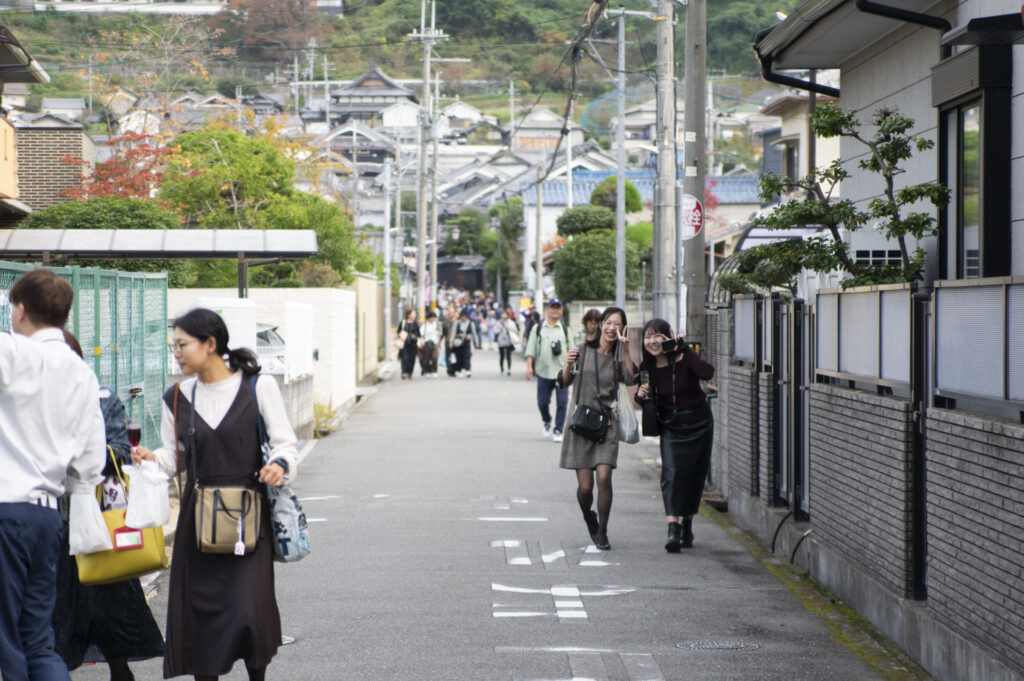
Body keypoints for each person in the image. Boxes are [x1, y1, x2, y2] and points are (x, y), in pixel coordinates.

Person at [132, 308, 298, 681]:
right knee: (201, 620)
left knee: (249, 615)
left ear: (210, 344)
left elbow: (286, 442)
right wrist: (148, 458)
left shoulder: (258, 386)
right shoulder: (177, 396)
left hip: (247, 520)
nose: (176, 352)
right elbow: (173, 460)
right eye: (173, 345)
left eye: (182, 344)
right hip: (198, 521)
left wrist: (280, 465)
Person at [0, 268, 107, 681]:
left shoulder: (14, 353)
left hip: (5, 510)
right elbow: (91, 458)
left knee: (5, 639)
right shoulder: (81, 372)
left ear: (21, 310)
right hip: (48, 516)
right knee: (37, 639)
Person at [52, 330, 164, 681]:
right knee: (56, 618)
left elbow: (119, 450)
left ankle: (120, 669)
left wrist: (79, 458)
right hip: (51, 523)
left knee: (112, 607)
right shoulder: (30, 401)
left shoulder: (101, 399)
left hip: (98, 520)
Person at [557, 307, 636, 551]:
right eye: (609, 322)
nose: (612, 327)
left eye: (618, 324)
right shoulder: (581, 350)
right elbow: (562, 382)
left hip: (606, 425)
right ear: (601, 324)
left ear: (622, 329)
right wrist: (568, 364)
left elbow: (632, 379)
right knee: (585, 488)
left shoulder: (620, 356)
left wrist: (626, 349)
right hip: (581, 424)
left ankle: (602, 530)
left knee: (603, 478)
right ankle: (587, 514)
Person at [635, 319, 715, 552]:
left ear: (668, 336)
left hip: (699, 423)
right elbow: (643, 401)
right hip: (670, 425)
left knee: (694, 476)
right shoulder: (646, 368)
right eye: (648, 337)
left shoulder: (684, 356)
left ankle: (688, 522)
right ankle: (673, 528)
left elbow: (707, 372)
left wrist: (684, 348)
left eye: (657, 336)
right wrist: (640, 394)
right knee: (671, 473)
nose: (652, 341)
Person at [525, 299, 572, 442]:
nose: (555, 311)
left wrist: (573, 369)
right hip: (543, 372)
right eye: (553, 308)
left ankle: (558, 429)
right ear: (547, 309)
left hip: (562, 373)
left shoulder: (565, 330)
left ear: (561, 311)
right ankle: (547, 420)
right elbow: (531, 348)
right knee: (542, 402)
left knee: (562, 403)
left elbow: (572, 351)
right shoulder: (538, 328)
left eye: (558, 308)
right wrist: (529, 366)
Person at [448, 308, 477, 378]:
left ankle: (468, 370)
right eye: (462, 316)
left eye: (465, 316)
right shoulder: (457, 322)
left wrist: (476, 342)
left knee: (467, 356)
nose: (463, 317)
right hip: (458, 343)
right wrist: (451, 342)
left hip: (467, 342)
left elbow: (474, 333)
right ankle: (459, 370)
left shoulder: (471, 323)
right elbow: (453, 333)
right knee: (459, 357)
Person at [396, 309, 420, 380]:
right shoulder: (403, 322)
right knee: (404, 358)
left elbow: (418, 334)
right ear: (409, 315)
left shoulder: (415, 324)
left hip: (413, 344)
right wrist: (401, 337)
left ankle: (410, 372)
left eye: (415, 314)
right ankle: (404, 372)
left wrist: (421, 340)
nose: (414, 315)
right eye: (413, 313)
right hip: (404, 343)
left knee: (412, 359)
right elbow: (398, 332)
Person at [495, 310, 520, 376]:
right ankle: (502, 369)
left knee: (509, 356)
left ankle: (509, 369)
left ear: (507, 315)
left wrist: (510, 329)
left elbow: (516, 331)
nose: (503, 315)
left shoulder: (511, 323)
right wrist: (499, 328)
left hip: (509, 341)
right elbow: (495, 331)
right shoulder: (499, 323)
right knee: (502, 356)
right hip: (501, 341)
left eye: (504, 314)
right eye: (502, 314)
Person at [419, 310, 442, 378]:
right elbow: (421, 334)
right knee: (426, 358)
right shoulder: (425, 325)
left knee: (435, 357)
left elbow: (440, 334)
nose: (433, 319)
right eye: (432, 317)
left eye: (434, 317)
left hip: (434, 343)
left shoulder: (437, 324)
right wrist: (421, 341)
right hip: (426, 343)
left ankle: (434, 370)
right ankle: (427, 371)